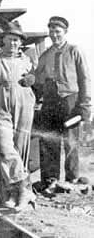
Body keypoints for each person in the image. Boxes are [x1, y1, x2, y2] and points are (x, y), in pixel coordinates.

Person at [0, 21, 36, 211]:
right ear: (3, 40)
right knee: (5, 147)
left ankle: (14, 194)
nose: (13, 43)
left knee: (20, 146)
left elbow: (37, 75)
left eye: (16, 40)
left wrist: (32, 79)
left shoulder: (28, 59)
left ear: (20, 42)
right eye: (10, 39)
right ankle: (24, 188)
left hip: (23, 98)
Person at [34, 16, 91, 190]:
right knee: (49, 139)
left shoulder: (75, 51)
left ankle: (72, 179)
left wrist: (85, 105)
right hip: (51, 102)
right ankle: (50, 180)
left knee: (71, 141)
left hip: (70, 101)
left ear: (65, 32)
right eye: (51, 31)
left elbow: (85, 78)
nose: (54, 35)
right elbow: (37, 80)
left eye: (58, 31)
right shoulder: (45, 55)